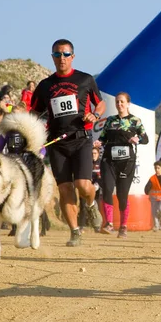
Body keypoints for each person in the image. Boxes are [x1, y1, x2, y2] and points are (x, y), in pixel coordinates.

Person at [30, 38, 106, 247]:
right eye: (57, 54)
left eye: (65, 54)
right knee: (65, 189)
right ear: (52, 57)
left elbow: (100, 104)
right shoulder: (45, 85)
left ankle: (90, 204)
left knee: (83, 185)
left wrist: (95, 116)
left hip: (81, 139)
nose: (61, 58)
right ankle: (75, 231)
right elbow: (34, 112)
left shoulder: (85, 79)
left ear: (72, 56)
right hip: (56, 142)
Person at [95, 92, 149, 238]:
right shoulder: (110, 120)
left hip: (127, 162)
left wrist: (136, 139)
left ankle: (123, 226)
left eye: (122, 102)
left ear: (128, 104)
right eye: (117, 102)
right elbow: (103, 137)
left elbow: (145, 139)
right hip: (109, 160)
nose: (119, 104)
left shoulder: (134, 121)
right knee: (106, 188)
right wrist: (99, 142)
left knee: (122, 194)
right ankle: (109, 223)